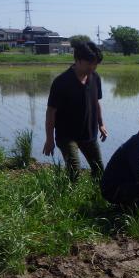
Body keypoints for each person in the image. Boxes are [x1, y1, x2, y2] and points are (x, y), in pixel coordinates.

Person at [43, 40, 107, 180]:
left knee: (99, 170)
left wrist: (101, 124)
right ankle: (68, 198)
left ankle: (98, 197)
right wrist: (49, 139)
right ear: (77, 60)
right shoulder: (62, 82)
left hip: (88, 133)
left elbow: (96, 102)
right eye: (89, 63)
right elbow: (51, 111)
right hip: (67, 135)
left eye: (96, 63)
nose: (93, 67)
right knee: (74, 170)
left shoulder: (95, 78)